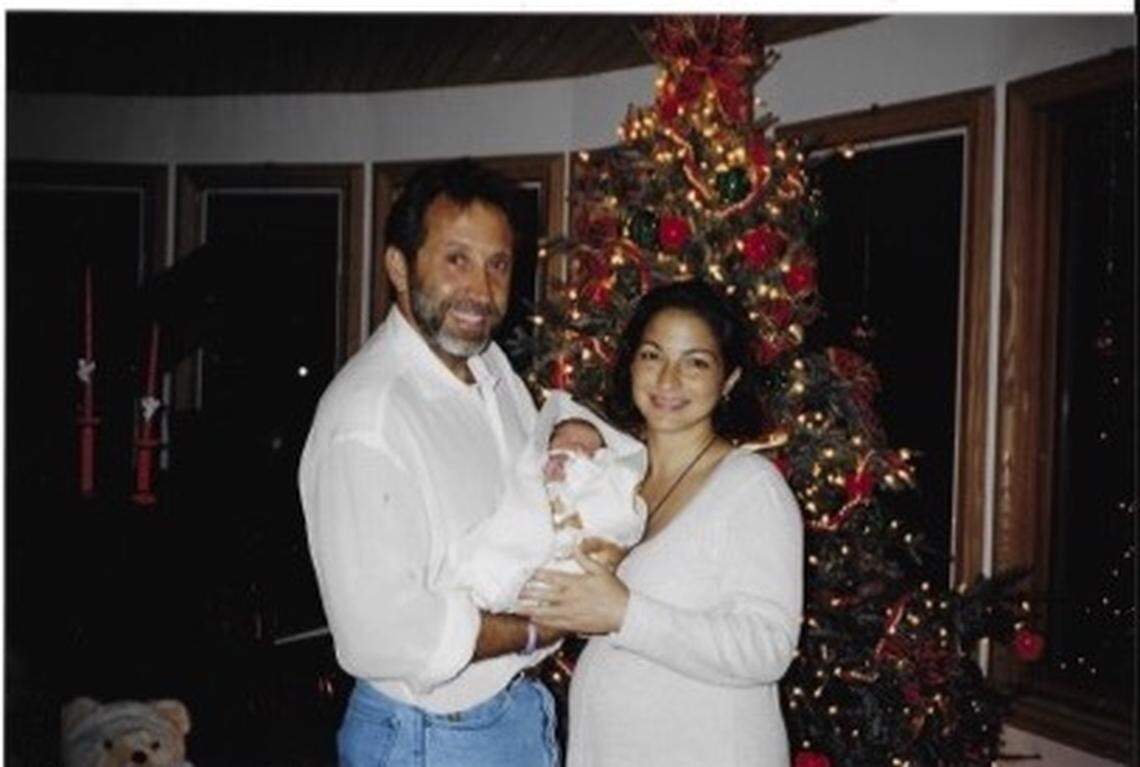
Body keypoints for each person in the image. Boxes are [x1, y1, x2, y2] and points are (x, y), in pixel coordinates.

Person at [298, 159, 561, 766]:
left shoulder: (493, 369)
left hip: (512, 714)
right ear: (397, 267)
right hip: (430, 737)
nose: (482, 289)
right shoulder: (369, 417)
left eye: (497, 264)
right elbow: (381, 633)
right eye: (456, 259)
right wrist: (528, 630)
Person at [519, 280, 805, 766]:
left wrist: (626, 613)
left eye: (696, 362)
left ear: (729, 379)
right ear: (631, 364)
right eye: (653, 356)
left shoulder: (751, 489)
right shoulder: (613, 476)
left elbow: (768, 646)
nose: (668, 380)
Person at [447, 390, 647, 612]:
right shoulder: (535, 466)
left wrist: (581, 470)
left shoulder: (599, 470)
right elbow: (522, 491)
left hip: (579, 537)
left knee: (566, 571)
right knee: (511, 538)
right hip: (537, 517)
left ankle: (536, 592)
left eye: (586, 446)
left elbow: (614, 503)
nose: (576, 447)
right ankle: (488, 582)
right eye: (568, 439)